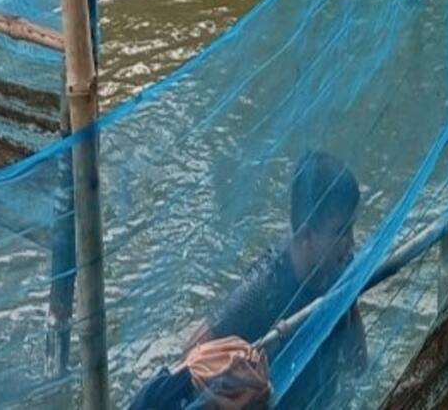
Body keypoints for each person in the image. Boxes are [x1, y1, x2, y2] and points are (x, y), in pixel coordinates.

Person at [128, 151, 369, 410]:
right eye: (341, 232)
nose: (351, 243)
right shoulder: (262, 289)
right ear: (306, 236)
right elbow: (193, 357)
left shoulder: (338, 265)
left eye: (352, 228)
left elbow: (357, 353)